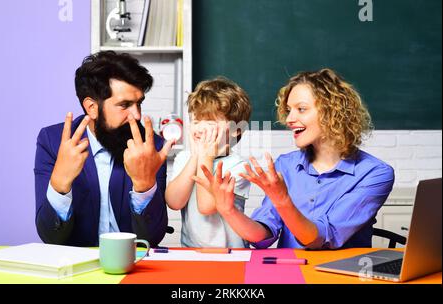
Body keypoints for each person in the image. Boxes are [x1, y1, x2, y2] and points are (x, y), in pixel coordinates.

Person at [194, 68, 395, 249]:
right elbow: (263, 234)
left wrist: (282, 200)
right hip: (290, 273)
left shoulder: (375, 174)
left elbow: (321, 238)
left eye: (301, 109)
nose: (289, 119)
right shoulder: (285, 165)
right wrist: (228, 210)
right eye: (289, 110)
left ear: (333, 112)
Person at [34, 51, 175, 247]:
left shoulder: (150, 147)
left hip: (132, 265)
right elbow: (50, 237)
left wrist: (145, 185)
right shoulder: (52, 142)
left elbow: (152, 239)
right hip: (76, 269)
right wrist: (59, 184)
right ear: (91, 107)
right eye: (124, 105)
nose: (136, 115)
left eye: (139, 103)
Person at [165, 77, 252, 248]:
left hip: (232, 254)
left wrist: (206, 157)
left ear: (236, 130)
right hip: (191, 252)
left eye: (211, 122)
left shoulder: (239, 166)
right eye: (196, 121)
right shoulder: (184, 158)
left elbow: (206, 207)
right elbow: (174, 202)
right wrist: (195, 156)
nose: (201, 128)